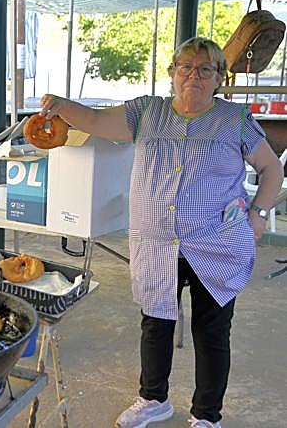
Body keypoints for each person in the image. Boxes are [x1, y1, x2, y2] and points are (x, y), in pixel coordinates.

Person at [38, 37, 283, 428]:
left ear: (219, 77)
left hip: (216, 243)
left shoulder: (235, 120)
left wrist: (258, 215)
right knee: (156, 322)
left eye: (206, 69)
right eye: (185, 67)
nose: (194, 76)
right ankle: (153, 399)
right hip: (156, 244)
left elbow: (272, 170)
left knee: (211, 331)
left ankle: (207, 415)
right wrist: (61, 106)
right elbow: (96, 121)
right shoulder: (146, 112)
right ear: (172, 73)